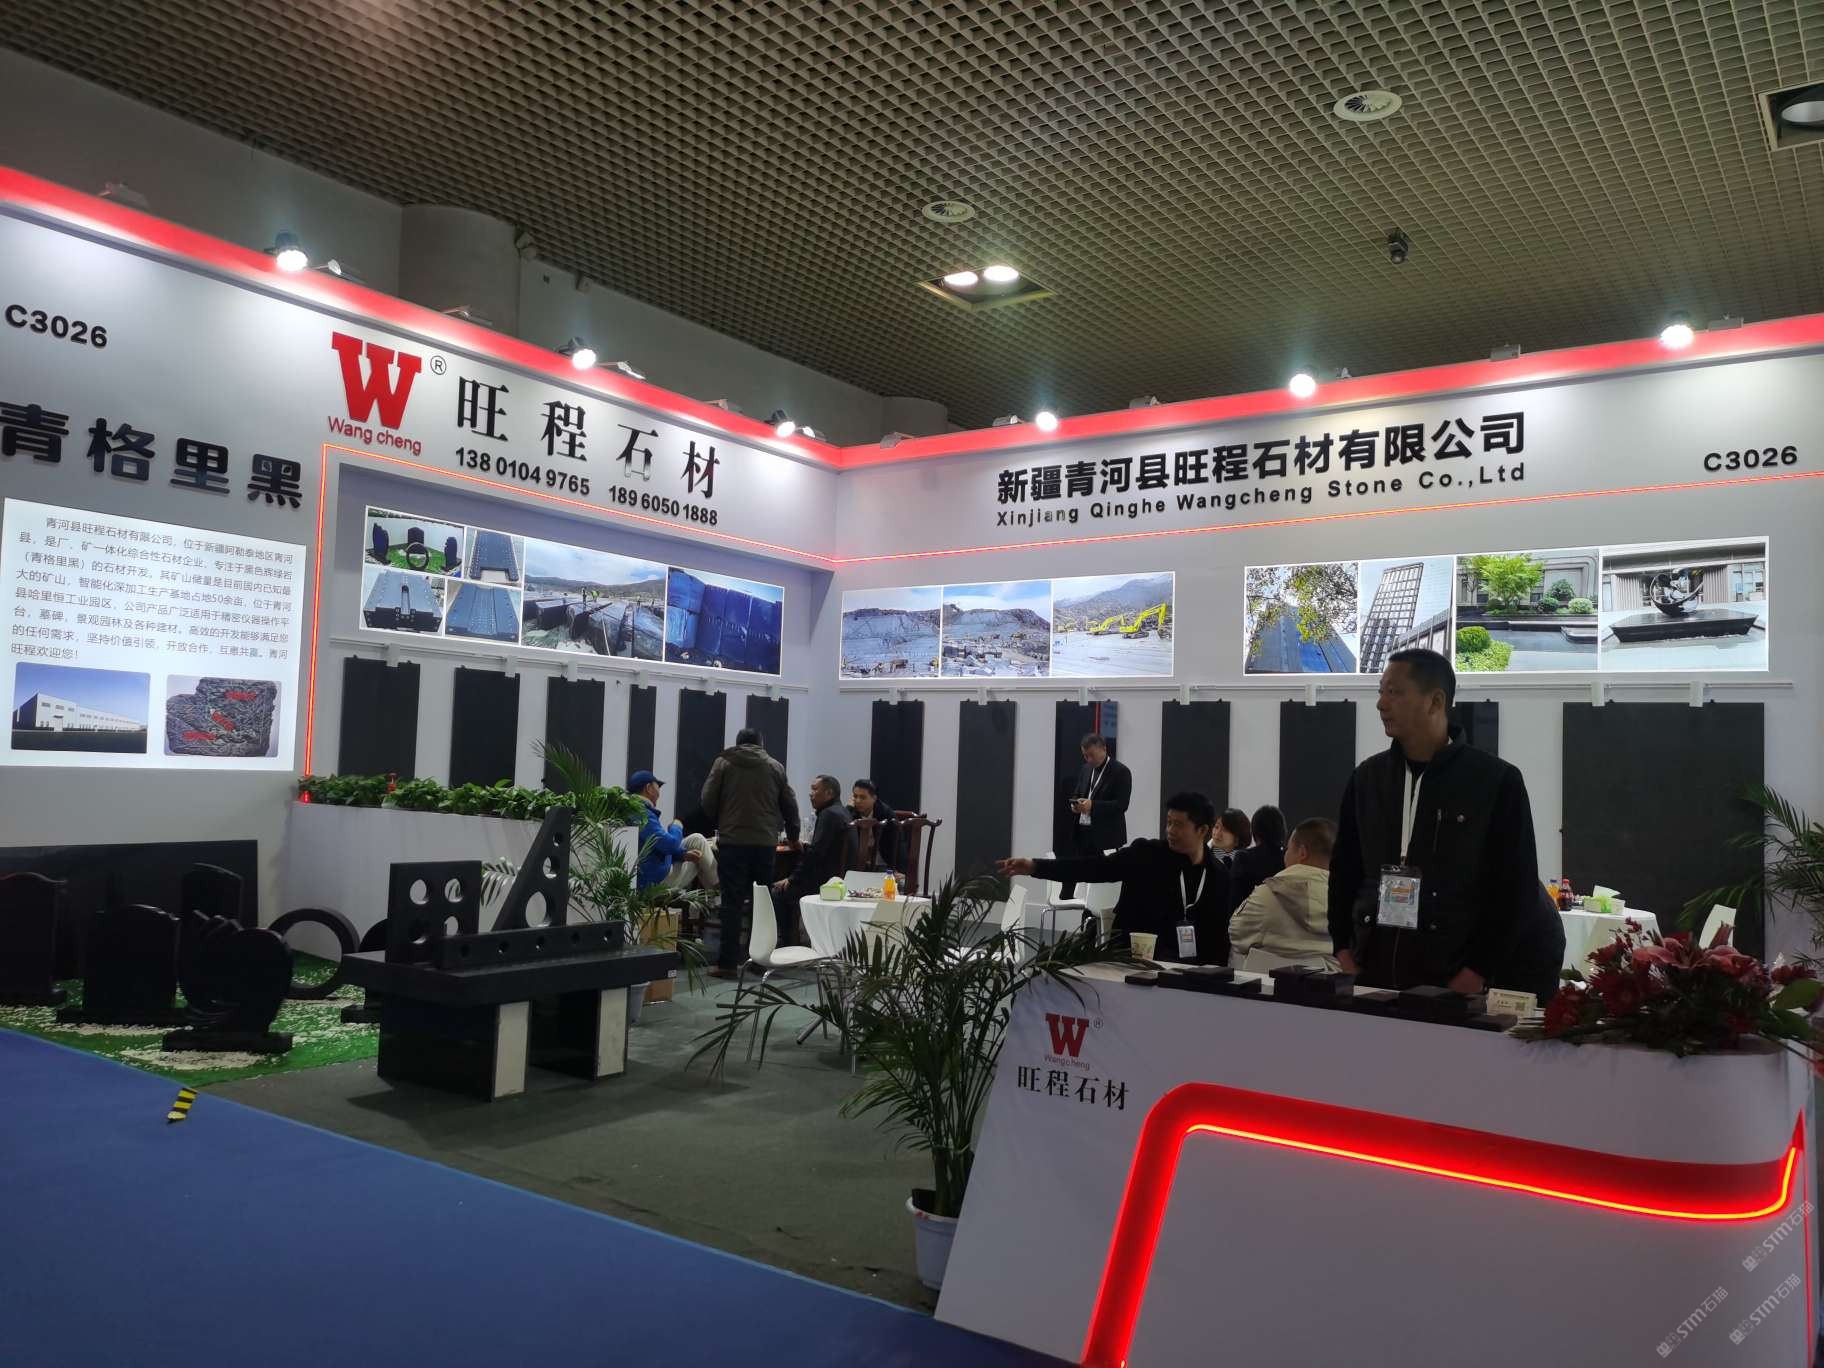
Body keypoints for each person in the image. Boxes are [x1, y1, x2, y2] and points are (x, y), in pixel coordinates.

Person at [1329, 647, 1561, 997]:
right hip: (1373, 971)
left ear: (1435, 701)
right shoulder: (1368, 778)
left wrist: (1477, 972)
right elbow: (1344, 870)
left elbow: (1516, 887)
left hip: (1455, 979)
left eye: (1394, 692)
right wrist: (1343, 950)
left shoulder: (1494, 781)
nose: (1381, 704)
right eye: (1380, 691)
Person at [1001, 791, 1231, 964]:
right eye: (1168, 822)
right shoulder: (1146, 854)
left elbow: (1220, 937)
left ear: (1202, 830)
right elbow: (1093, 868)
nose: (1170, 830)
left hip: (1190, 969)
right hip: (1133, 960)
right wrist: (1035, 866)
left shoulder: (1218, 876)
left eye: (1178, 825)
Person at [702, 728, 800, 978]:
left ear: (738, 744)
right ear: (761, 744)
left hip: (733, 841)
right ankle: (759, 961)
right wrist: (793, 835)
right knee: (762, 902)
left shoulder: (723, 763)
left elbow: (707, 798)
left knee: (732, 903)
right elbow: (789, 803)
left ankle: (727, 964)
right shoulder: (775, 767)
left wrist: (721, 820)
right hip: (764, 843)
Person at [1229, 818, 1338, 970]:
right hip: (1330, 982)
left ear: (1302, 852)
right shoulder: (1348, 901)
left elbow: (1236, 933)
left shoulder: (1267, 895)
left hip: (1268, 981)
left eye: (1288, 849)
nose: (1285, 854)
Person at [775, 775, 855, 945]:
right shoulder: (843, 812)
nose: (810, 794)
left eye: (815, 789)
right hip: (839, 877)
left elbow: (815, 854)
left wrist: (792, 879)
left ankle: (788, 943)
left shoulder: (828, 815)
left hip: (825, 881)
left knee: (778, 892)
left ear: (829, 793)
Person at [1061, 733, 1131, 897]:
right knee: (1083, 883)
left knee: (1103, 886)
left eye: (1091, 755)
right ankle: (1083, 910)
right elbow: (1078, 792)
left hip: (1106, 838)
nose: (1088, 759)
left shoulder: (1121, 772)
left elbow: (1121, 805)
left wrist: (1092, 806)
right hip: (1083, 835)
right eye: (1085, 755)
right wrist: (1075, 805)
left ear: (1104, 749)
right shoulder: (1085, 769)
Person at [630, 770, 717, 892]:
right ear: (648, 788)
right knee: (699, 849)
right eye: (658, 786)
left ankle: (714, 892)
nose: (659, 792)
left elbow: (658, 847)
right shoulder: (642, 814)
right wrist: (676, 825)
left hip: (648, 876)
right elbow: (670, 845)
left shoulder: (634, 811)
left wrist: (682, 855)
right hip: (655, 882)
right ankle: (720, 888)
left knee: (696, 845)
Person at [1227, 803, 1286, 913]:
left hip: (1250, 921)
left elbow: (1234, 904)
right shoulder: (1289, 859)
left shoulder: (1243, 858)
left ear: (1255, 831)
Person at [848, 778, 899, 872]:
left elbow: (897, 844)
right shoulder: (851, 812)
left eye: (862, 797)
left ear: (874, 798)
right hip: (856, 864)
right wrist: (848, 809)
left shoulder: (886, 814)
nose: (858, 801)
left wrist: (900, 870)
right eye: (855, 796)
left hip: (883, 863)